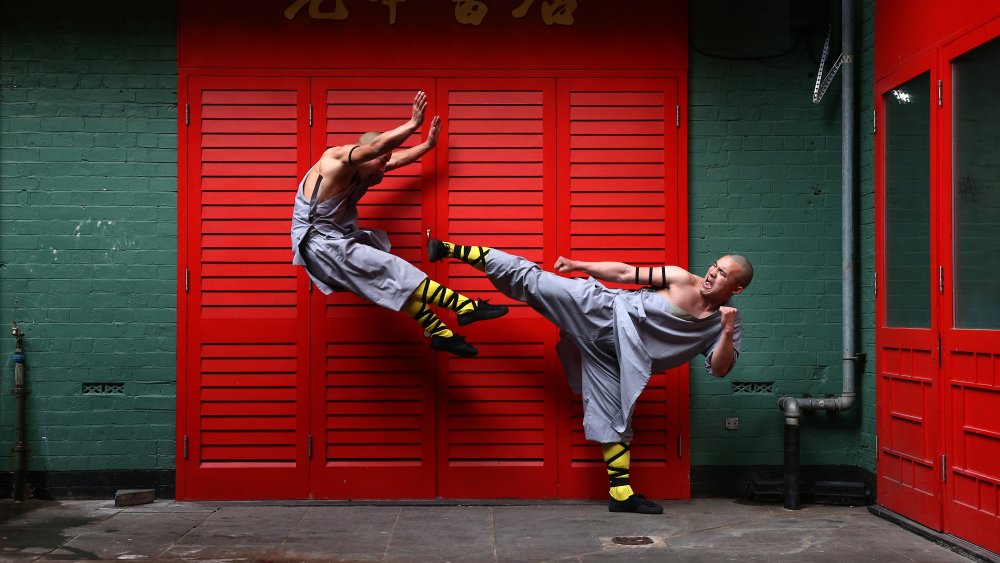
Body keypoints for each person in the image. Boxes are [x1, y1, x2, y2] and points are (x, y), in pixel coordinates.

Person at [427, 238, 751, 514]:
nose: (712, 273)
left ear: (736, 288)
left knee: (616, 419)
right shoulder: (681, 279)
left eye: (723, 274)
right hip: (599, 311)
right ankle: (450, 249)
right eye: (715, 266)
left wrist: (723, 329)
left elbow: (720, 369)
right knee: (532, 280)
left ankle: (621, 496)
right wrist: (579, 264)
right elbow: (625, 272)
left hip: (615, 358)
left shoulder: (728, 324)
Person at [291, 91, 508, 357]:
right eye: (381, 162)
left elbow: (391, 159)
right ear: (367, 154)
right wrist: (412, 124)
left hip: (332, 241)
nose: (384, 169)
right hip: (320, 243)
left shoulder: (365, 168)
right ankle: (464, 307)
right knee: (395, 268)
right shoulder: (335, 159)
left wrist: (427, 145)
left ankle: (440, 333)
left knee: (390, 283)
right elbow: (376, 149)